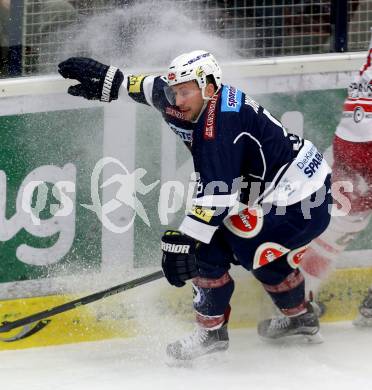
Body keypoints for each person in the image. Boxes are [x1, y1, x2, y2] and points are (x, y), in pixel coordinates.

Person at [58, 50, 332, 360]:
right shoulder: (192, 99)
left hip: (299, 205)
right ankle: (301, 318)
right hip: (293, 191)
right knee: (255, 250)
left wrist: (186, 243)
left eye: (185, 91)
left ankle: (211, 333)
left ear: (209, 88)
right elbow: (154, 89)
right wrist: (115, 81)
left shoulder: (219, 126)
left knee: (209, 248)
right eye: (176, 91)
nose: (177, 100)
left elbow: (216, 201)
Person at [300, 39, 372, 326]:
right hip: (362, 141)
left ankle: (296, 303)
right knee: (338, 225)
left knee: (339, 228)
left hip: (351, 138)